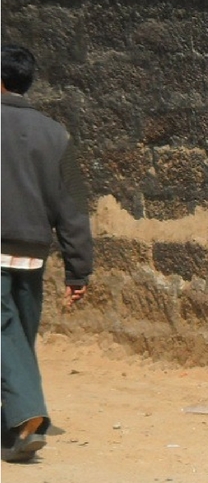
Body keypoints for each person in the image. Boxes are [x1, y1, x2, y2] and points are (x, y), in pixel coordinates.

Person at [1, 45, 94, 463]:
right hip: (34, 255)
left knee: (5, 337)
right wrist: (78, 271)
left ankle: (28, 417)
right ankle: (17, 423)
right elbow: (72, 206)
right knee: (18, 336)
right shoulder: (55, 134)